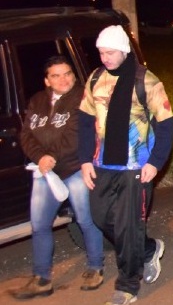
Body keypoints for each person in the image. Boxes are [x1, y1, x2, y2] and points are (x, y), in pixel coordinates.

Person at [78, 25, 173, 305]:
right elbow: (85, 121)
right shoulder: (95, 78)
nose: (104, 58)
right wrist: (85, 159)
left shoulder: (147, 81)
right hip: (102, 164)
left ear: (123, 50)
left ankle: (127, 286)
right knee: (99, 217)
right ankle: (148, 248)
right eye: (101, 53)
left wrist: (156, 163)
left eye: (109, 53)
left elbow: (166, 124)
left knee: (127, 226)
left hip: (136, 166)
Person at [12, 56, 105, 300]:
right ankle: (41, 278)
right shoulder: (37, 101)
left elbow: (75, 136)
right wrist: (41, 157)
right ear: (47, 80)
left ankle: (95, 267)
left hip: (75, 169)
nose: (63, 79)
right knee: (39, 225)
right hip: (45, 172)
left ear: (74, 76)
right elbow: (26, 135)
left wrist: (50, 156)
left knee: (86, 220)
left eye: (67, 73)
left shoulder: (83, 98)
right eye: (56, 75)